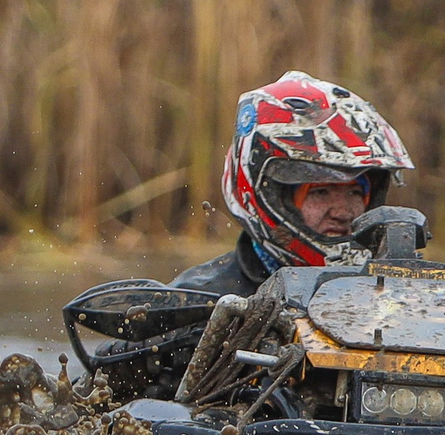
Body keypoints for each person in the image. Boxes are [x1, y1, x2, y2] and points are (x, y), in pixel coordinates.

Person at [172, 71, 415, 295]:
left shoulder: (394, 291)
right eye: (320, 192)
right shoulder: (200, 301)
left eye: (354, 192)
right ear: (271, 196)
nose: (343, 212)